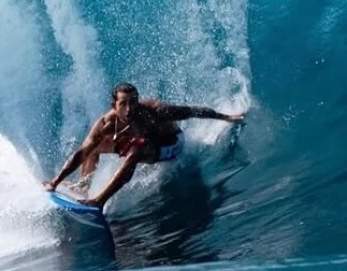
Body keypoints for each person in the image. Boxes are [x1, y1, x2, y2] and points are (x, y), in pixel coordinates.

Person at [44, 82, 245, 208]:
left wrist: (226, 117)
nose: (130, 107)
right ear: (113, 105)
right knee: (93, 146)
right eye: (123, 103)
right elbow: (82, 152)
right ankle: (84, 185)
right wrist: (55, 181)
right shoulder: (106, 123)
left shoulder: (155, 110)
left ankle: (100, 200)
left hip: (170, 145)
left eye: (134, 101)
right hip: (141, 144)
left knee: (136, 149)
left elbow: (191, 111)